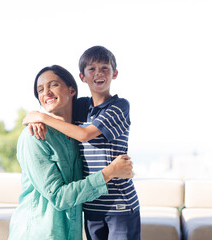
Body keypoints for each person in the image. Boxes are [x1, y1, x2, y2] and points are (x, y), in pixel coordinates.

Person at [23, 46, 141, 240]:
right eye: (91, 69)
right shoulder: (80, 107)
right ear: (82, 76)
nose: (99, 73)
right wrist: (34, 117)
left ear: (115, 73)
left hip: (119, 204)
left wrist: (41, 118)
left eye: (105, 68)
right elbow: (58, 107)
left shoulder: (119, 106)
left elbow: (85, 135)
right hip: (90, 204)